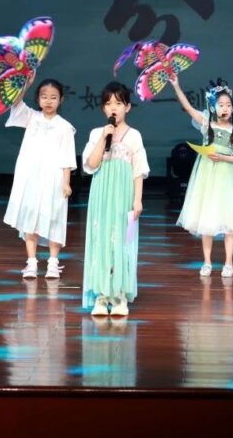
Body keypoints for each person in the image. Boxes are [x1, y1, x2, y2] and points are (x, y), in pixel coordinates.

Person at [170, 76, 233, 278]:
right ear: (214, 107)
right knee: (206, 217)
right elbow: (188, 108)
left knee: (229, 219)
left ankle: (228, 263)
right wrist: (176, 86)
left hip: (226, 175)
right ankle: (207, 262)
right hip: (207, 174)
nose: (225, 108)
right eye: (221, 105)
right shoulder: (207, 124)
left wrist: (223, 157)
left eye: (228, 105)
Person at [82, 82, 149, 317]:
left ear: (127, 107)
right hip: (101, 195)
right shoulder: (96, 134)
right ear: (103, 108)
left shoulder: (135, 136)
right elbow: (91, 164)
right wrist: (104, 137)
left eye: (118, 103)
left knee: (122, 242)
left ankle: (119, 294)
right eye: (109, 103)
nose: (114, 107)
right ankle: (101, 295)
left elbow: (138, 170)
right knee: (100, 241)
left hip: (124, 196)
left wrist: (138, 200)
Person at [4, 78, 76, 280]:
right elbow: (16, 104)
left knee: (54, 218)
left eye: (53, 97)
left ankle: (53, 262)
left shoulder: (65, 127)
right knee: (30, 218)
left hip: (54, 179)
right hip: (31, 178)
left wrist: (66, 182)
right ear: (38, 99)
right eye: (44, 97)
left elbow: (67, 157)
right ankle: (31, 262)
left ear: (61, 100)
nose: (48, 101)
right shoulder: (32, 117)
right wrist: (25, 85)